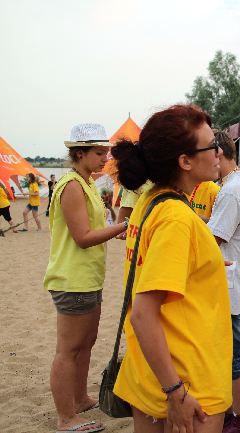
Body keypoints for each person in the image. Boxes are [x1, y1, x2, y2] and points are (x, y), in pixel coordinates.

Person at [112, 104, 232, 433]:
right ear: (185, 161)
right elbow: (143, 312)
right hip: (186, 375)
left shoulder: (150, 201)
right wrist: (176, 391)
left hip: (149, 369)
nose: (219, 151)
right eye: (212, 145)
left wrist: (202, 265)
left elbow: (153, 267)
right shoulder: (177, 217)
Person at [43, 123, 127, 433]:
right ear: (80, 153)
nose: (105, 157)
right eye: (98, 152)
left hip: (89, 277)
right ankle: (66, 417)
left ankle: (78, 399)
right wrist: (123, 227)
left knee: (86, 343)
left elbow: (96, 229)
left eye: (105, 151)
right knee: (69, 349)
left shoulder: (87, 182)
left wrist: (118, 230)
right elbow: (82, 236)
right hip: (72, 278)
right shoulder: (73, 185)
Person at [207, 130, 240, 433]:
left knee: (235, 353)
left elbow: (214, 236)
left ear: (218, 154)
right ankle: (232, 413)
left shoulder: (231, 190)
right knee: (228, 352)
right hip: (232, 281)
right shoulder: (235, 184)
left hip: (229, 284)